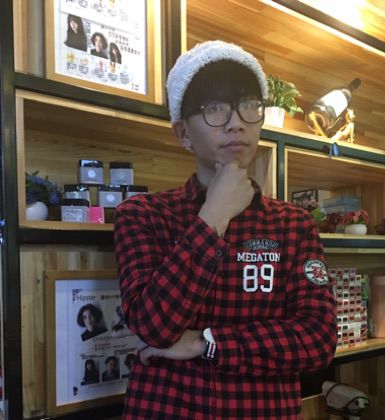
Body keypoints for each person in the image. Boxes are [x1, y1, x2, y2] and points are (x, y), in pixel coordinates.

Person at [114, 40, 337, 419]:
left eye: (249, 105)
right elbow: (153, 326)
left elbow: (317, 340)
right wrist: (213, 215)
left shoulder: (293, 224)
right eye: (215, 108)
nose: (236, 122)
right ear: (183, 133)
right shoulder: (142, 215)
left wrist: (207, 342)